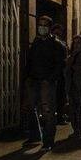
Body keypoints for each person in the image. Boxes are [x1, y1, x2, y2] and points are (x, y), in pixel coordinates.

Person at [23, 15, 67, 151]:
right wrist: (27, 77)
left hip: (47, 82)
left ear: (49, 28)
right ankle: (35, 135)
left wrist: (50, 79)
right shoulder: (36, 42)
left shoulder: (57, 44)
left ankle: (48, 141)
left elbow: (60, 65)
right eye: (40, 25)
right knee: (31, 108)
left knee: (48, 111)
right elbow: (29, 60)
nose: (41, 27)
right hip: (34, 80)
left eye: (44, 25)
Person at [51, 23, 69, 126]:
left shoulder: (62, 43)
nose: (57, 34)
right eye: (55, 32)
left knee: (61, 96)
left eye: (59, 32)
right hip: (52, 73)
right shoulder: (50, 42)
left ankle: (60, 116)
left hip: (61, 73)